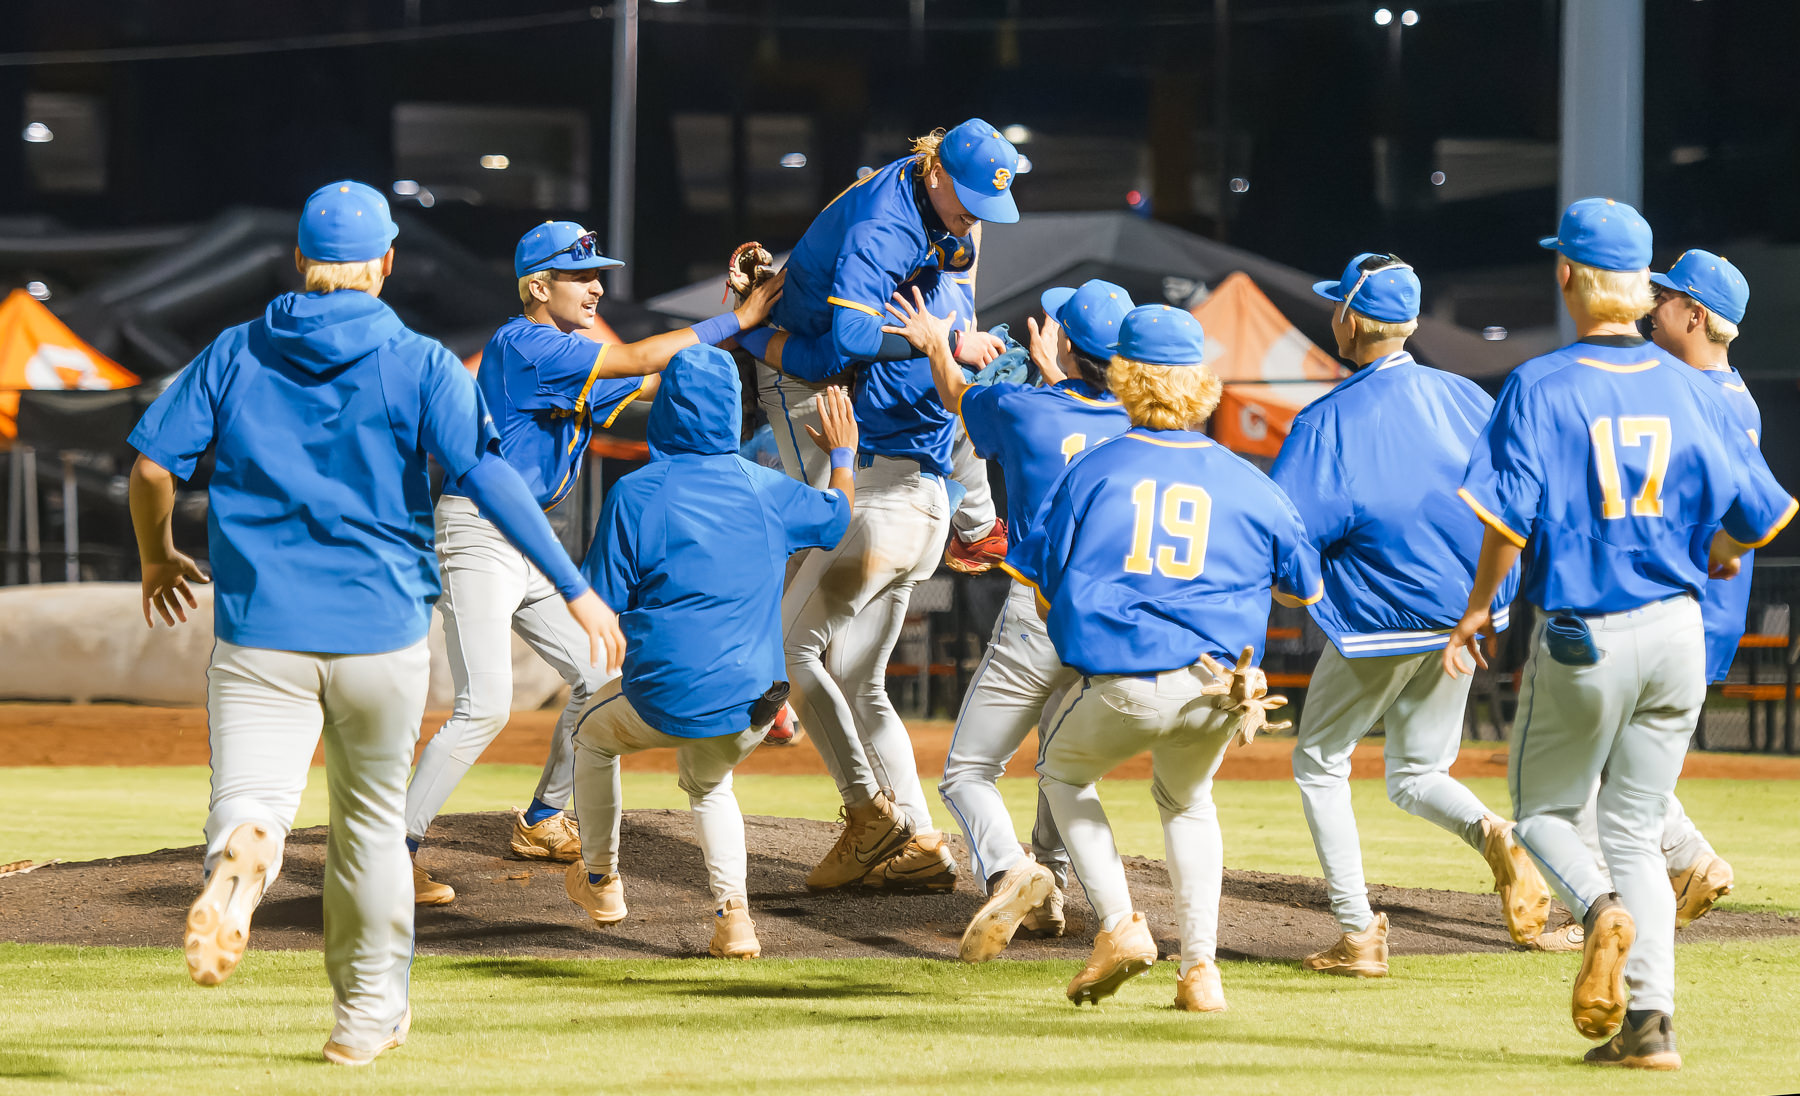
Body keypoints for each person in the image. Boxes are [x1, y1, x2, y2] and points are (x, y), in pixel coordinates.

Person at [126, 181, 623, 1065]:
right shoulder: (422, 360)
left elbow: (153, 469)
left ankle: (244, 853)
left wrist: (158, 557)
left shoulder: (236, 350)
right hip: (379, 630)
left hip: (260, 626)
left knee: (252, 796)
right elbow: (488, 476)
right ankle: (364, 1018)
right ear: (387, 263)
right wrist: (573, 585)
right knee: (367, 836)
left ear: (299, 260)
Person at [1445, 198, 1794, 1071]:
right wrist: (1720, 551)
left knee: (1543, 812)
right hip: (1679, 632)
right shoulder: (1699, 388)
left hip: (1587, 632)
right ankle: (1650, 1026)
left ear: (1567, 274)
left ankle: (1600, 911)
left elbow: (1505, 525)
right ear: (1641, 289)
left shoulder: (1542, 382)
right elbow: (1762, 513)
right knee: (1636, 828)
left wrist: (1479, 607)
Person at [405, 220, 783, 904]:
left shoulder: (567, 356)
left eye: (596, 274)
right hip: (480, 531)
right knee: (484, 706)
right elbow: (638, 359)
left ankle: (543, 819)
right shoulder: (525, 343)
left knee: (599, 673)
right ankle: (392, 851)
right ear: (537, 286)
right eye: (580, 275)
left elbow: (665, 380)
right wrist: (739, 319)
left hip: (528, 540)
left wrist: (738, 323)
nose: (597, 286)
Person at [996, 304, 1324, 1011]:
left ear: (1124, 376)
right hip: (1221, 685)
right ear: (1200, 381)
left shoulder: (1094, 468)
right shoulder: (1248, 478)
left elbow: (1040, 588)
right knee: (1187, 803)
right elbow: (1302, 588)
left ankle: (1120, 926)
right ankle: (1200, 972)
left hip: (1126, 679)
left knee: (1062, 773)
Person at [1269, 252, 1546, 976]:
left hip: (1381, 618)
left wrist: (1288, 590)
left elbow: (1288, 534)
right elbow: (1514, 498)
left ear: (1352, 320)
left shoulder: (1329, 416)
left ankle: (1358, 932)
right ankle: (1497, 834)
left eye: (1339, 305)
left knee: (1318, 761)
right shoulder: (1467, 396)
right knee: (1417, 772)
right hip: (1467, 615)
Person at [563, 344, 853, 957]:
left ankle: (601, 881)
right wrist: (843, 456)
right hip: (755, 699)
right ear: (732, 408)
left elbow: (602, 600)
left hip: (664, 691)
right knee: (709, 785)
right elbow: (836, 519)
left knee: (590, 735)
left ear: (667, 406)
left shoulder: (635, 493)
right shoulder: (766, 488)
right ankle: (735, 919)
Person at [893, 278, 1133, 960]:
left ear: (1066, 342)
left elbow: (955, 395)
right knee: (1063, 762)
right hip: (1111, 625)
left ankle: (1009, 870)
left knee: (968, 772)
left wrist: (935, 342)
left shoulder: (1022, 406)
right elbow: (1086, 419)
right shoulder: (1142, 425)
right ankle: (1051, 889)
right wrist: (1061, 370)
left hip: (1040, 612)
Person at [1536, 248, 1756, 952]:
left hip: (1672, 605)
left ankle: (1605, 905)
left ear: (1695, 315)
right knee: (1617, 759)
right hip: (1697, 608)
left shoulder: (1697, 399)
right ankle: (1688, 861)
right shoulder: (1726, 395)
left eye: (1666, 297)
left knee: (1586, 760)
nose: (1652, 306)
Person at [731, 120, 1017, 569]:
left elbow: (965, 251)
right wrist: (952, 342)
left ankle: (975, 529)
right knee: (826, 538)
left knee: (958, 386)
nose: (975, 217)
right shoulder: (886, 227)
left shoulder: (936, 191)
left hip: (852, 346)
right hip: (800, 362)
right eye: (970, 202)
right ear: (936, 173)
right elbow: (846, 341)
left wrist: (960, 331)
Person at [782, 260, 976, 893]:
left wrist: (755, 318)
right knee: (858, 679)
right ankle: (921, 842)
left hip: (885, 499)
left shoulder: (896, 302)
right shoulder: (950, 301)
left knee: (787, 651)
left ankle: (867, 811)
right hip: (927, 506)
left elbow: (818, 350)